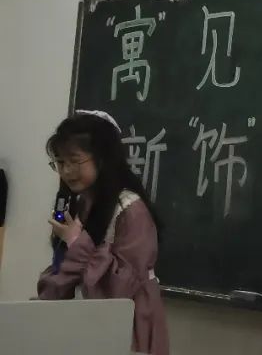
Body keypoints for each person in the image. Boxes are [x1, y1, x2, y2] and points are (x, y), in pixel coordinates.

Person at [38, 110, 169, 355]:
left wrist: (77, 242)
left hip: (128, 326)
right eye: (60, 162)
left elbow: (121, 288)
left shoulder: (131, 209)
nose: (66, 171)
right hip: (89, 320)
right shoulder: (83, 203)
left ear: (103, 159)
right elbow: (68, 270)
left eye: (74, 161)